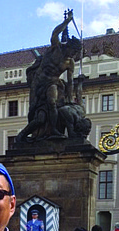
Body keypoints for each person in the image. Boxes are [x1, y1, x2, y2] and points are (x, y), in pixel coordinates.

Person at [16, 10, 82, 142]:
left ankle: (54, 130)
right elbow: (55, 33)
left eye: (76, 53)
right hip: (39, 83)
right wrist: (67, 21)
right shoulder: (56, 49)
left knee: (52, 104)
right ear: (68, 47)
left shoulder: (70, 63)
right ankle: (24, 135)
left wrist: (69, 99)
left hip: (53, 84)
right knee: (35, 112)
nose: (74, 55)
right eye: (73, 51)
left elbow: (70, 83)